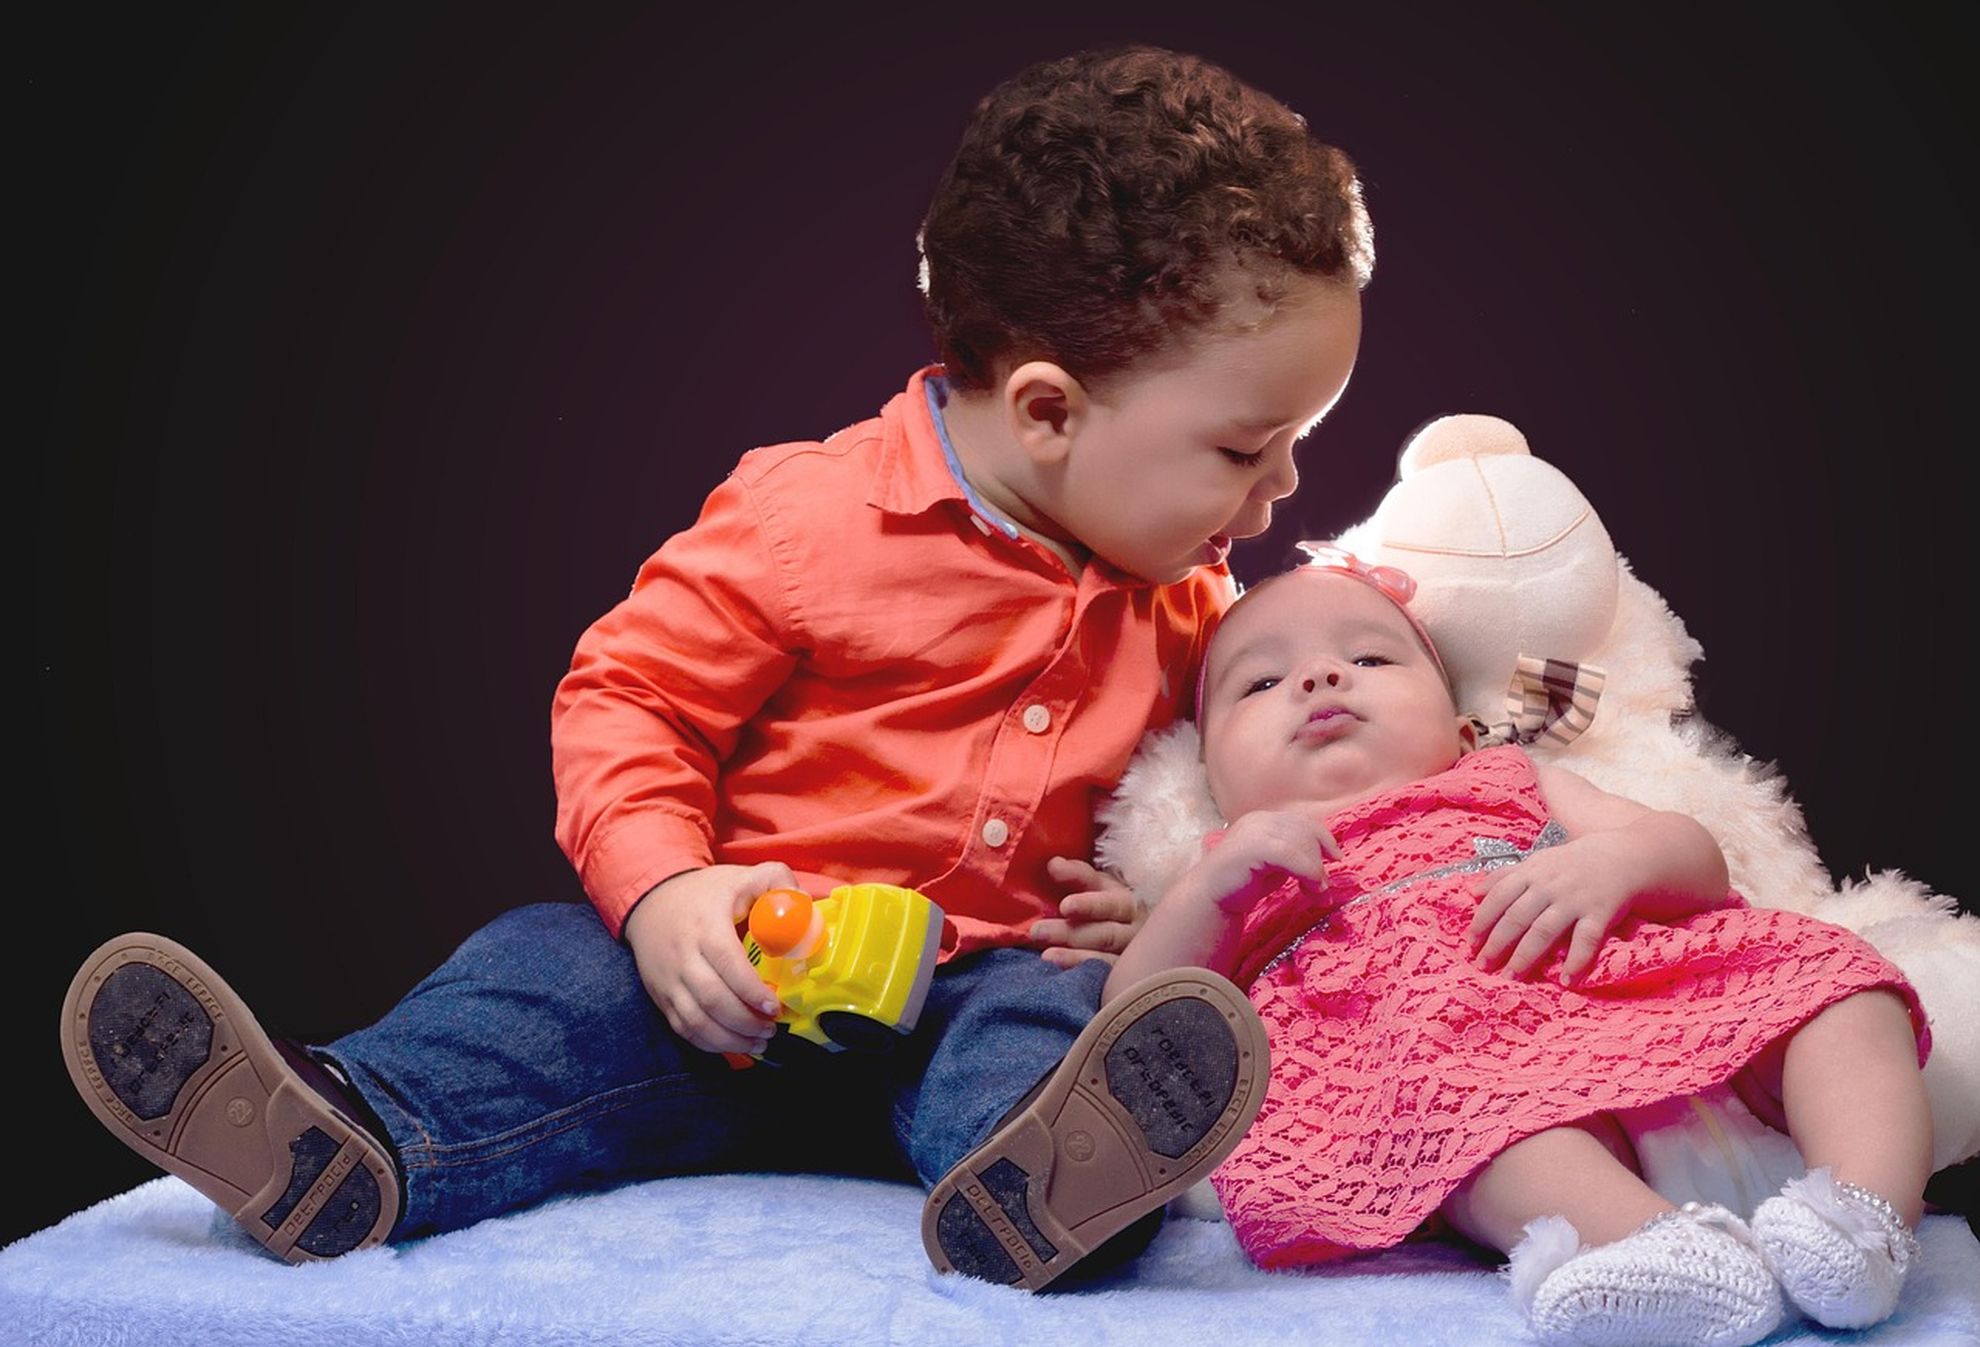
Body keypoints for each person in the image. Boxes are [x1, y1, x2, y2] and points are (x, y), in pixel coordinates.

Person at [58, 45, 1369, 1292]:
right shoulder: (808, 518)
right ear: (1046, 411)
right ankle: (345, 1133)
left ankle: (1055, 1196)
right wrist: (666, 894)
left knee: (1054, 1022)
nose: (1283, 488)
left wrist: (1147, 920)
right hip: (729, 982)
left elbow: (1209, 795)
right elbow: (631, 701)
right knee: (544, 973)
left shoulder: (1195, 609)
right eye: (1246, 449)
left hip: (979, 991)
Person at [1106, 545, 1933, 1344]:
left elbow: (1695, 857)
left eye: (1370, 657)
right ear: (1213, 777)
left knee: (1841, 983)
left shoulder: (1506, 779)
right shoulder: (1237, 871)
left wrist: (1615, 863)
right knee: (1463, 1119)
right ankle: (1658, 1248)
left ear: (1465, 732)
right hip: (1454, 1068)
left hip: (1630, 993)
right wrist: (1208, 892)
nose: (1319, 677)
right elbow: (1131, 1021)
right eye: (1260, 682)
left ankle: (1859, 1219)